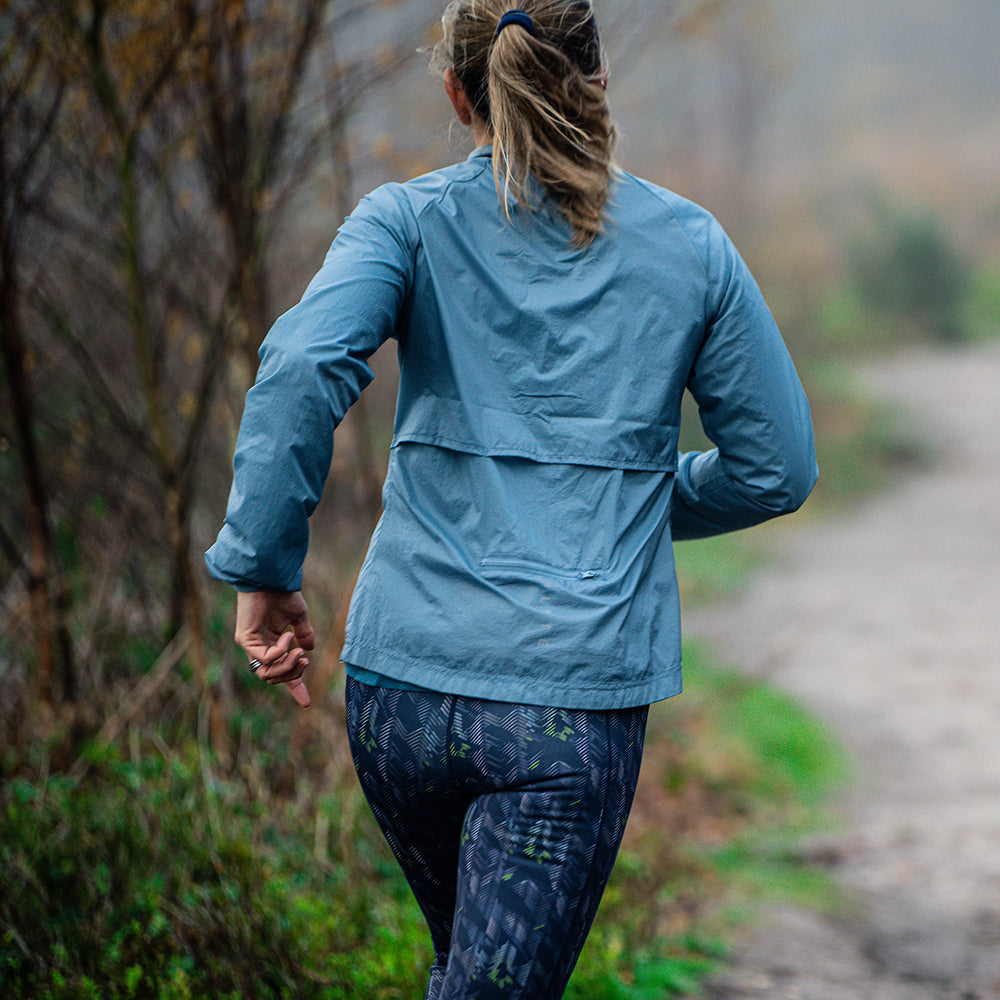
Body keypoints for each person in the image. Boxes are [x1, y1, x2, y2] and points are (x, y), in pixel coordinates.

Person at [205, 1, 818, 996]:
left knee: (472, 968)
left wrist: (262, 569)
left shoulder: (403, 222)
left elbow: (303, 364)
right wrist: (627, 505)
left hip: (397, 692)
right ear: (599, 81)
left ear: (455, 91)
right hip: (565, 711)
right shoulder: (690, 246)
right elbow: (775, 470)